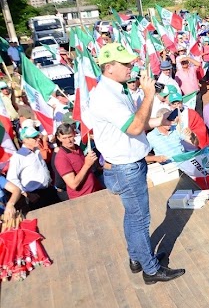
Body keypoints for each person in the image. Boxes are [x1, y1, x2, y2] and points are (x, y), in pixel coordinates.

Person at [89, 42, 184, 284]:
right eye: (126, 63)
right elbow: (133, 127)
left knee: (133, 216)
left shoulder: (116, 89)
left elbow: (137, 122)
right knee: (140, 219)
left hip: (127, 164)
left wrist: (157, 119)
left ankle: (137, 256)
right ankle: (150, 270)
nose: (132, 65)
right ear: (109, 67)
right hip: (126, 167)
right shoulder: (105, 96)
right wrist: (149, 94)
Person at [3, 126, 61, 216]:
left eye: (37, 136)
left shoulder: (37, 151)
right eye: (34, 138)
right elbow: (11, 178)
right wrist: (27, 194)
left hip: (49, 190)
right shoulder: (18, 157)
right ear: (25, 140)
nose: (38, 139)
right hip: (36, 196)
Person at [53, 123, 103, 200]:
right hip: (82, 198)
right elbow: (73, 184)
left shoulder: (77, 148)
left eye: (70, 136)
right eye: (64, 138)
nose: (68, 141)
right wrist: (87, 164)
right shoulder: (61, 158)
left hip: (95, 191)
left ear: (74, 134)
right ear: (59, 138)